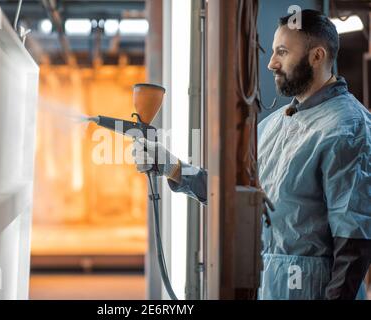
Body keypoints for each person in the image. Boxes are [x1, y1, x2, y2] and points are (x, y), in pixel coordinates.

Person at [133, 9, 371, 300]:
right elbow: (233, 194)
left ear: (317, 56)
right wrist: (172, 167)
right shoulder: (275, 124)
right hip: (266, 288)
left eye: (282, 52)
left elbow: (354, 242)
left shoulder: (348, 127)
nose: (271, 63)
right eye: (272, 52)